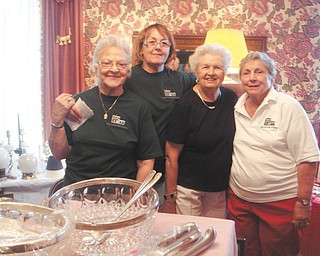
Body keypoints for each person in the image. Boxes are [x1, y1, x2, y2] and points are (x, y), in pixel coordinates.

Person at [227, 51, 320, 256]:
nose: (252, 78)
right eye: (246, 73)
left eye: (259, 72)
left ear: (272, 76)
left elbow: (308, 158)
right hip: (240, 200)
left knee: (279, 252)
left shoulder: (288, 107)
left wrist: (303, 203)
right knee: (245, 252)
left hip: (279, 203)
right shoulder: (236, 106)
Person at [49, 34, 162, 186]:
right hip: (76, 195)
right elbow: (59, 154)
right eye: (107, 63)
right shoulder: (77, 103)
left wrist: (134, 196)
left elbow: (146, 161)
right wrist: (57, 120)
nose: (114, 69)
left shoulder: (139, 108)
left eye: (121, 64)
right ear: (96, 68)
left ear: (128, 70)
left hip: (119, 198)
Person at [163, 43, 238, 218]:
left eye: (217, 67)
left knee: (216, 237)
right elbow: (171, 157)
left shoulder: (231, 99)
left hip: (219, 189)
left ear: (224, 72)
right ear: (196, 72)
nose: (211, 72)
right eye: (205, 67)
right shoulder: (185, 105)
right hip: (189, 191)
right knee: (190, 240)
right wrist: (170, 197)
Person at [125, 24, 196, 205]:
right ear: (141, 48)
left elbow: (210, 82)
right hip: (131, 169)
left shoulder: (180, 79)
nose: (158, 47)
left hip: (166, 172)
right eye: (151, 42)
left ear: (170, 49)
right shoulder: (128, 79)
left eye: (164, 43)